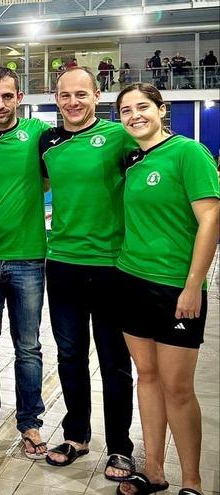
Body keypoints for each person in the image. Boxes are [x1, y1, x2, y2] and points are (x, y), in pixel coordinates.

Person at [114, 83, 219, 495]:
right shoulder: (134, 161)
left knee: (177, 388)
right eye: (125, 110)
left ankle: (191, 481)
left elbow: (211, 219)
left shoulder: (188, 152)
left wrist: (194, 285)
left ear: (162, 109)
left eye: (142, 107)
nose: (134, 115)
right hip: (131, 280)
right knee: (147, 376)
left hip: (176, 288)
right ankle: (153, 471)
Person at [39, 66, 139, 481]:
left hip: (112, 265)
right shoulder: (47, 141)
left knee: (114, 361)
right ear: (56, 97)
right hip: (62, 263)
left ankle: (120, 447)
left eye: (82, 94)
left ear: (97, 95)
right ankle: (76, 434)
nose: (73, 102)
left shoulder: (119, 136)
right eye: (66, 95)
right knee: (69, 355)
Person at [0, 66, 51, 460]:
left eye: (7, 96)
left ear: (19, 98)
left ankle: (30, 423)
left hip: (28, 260)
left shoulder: (37, 134)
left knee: (29, 347)